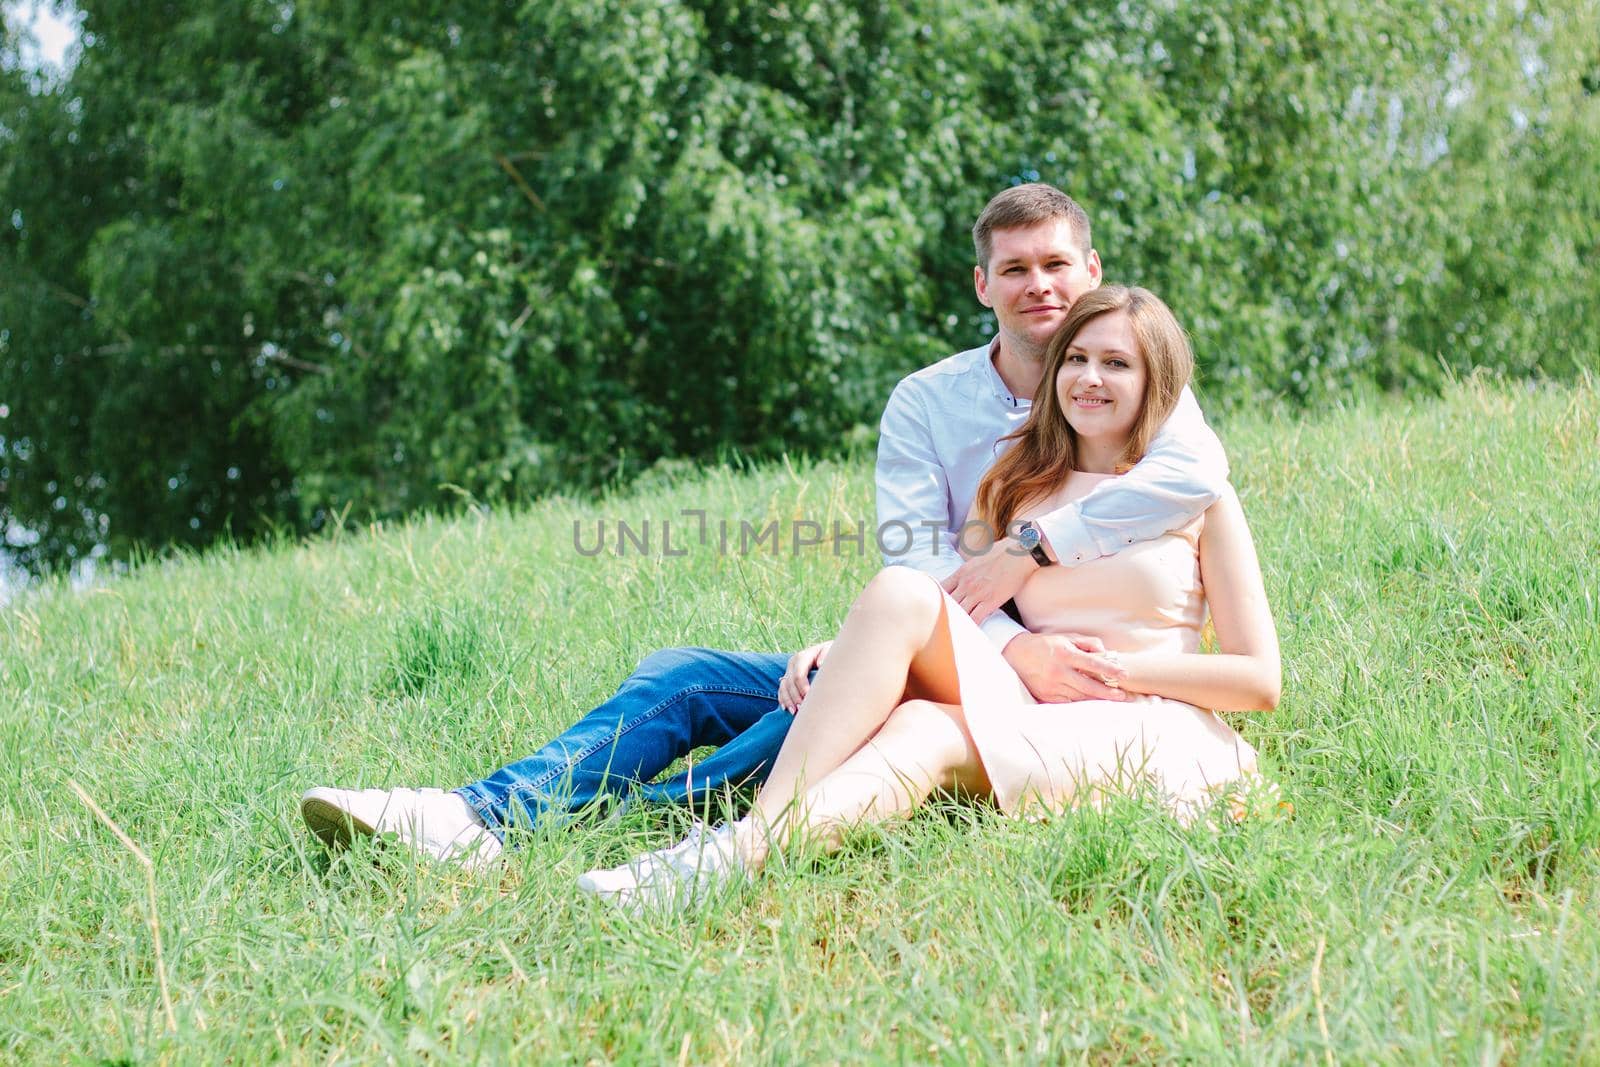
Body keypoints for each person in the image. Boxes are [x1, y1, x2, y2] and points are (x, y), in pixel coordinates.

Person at [299, 186, 1229, 870]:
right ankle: (477, 814)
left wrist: (1031, 554)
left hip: (1042, 687)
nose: (1040, 286)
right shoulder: (930, 405)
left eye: (1057, 264)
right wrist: (942, 639)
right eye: (1016, 268)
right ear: (981, 283)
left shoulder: (1137, 385)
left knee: (814, 727)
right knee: (690, 674)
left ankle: (555, 831)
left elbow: (1199, 478)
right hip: (944, 638)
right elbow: (915, 561)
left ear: (1092, 272)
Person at [578, 285, 1280, 909]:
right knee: (899, 591)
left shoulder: (1199, 498)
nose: (1089, 378)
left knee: (925, 731)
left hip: (1145, 723)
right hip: (1029, 698)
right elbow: (956, 603)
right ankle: (734, 849)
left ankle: (728, 856)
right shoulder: (1016, 487)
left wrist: (1113, 672)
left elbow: (1258, 680)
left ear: (1157, 382)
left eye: (1117, 363)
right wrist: (852, 648)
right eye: (1076, 358)